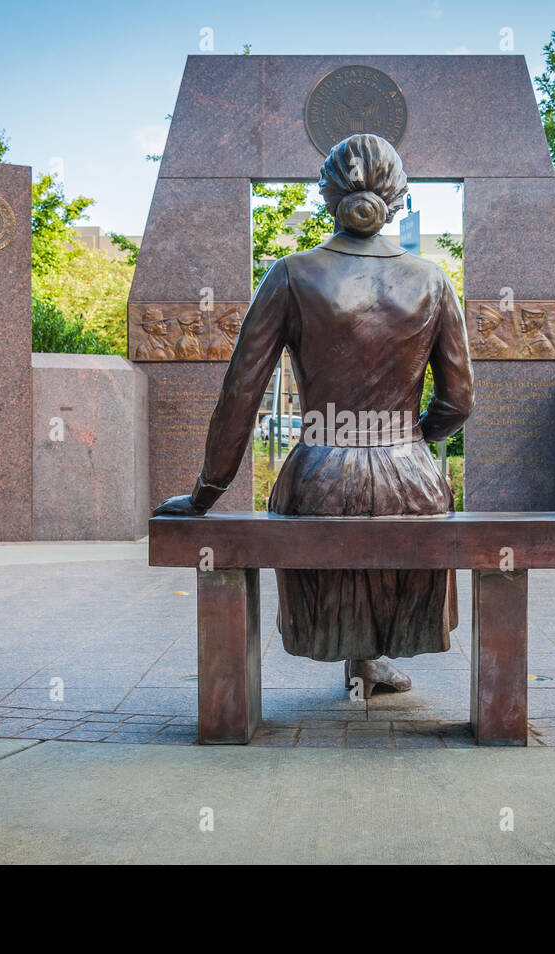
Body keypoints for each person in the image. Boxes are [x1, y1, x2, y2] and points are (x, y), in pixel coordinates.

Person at [154, 133, 474, 696]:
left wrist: (205, 493)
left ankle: (357, 660)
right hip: (412, 479)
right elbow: (458, 402)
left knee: (334, 538)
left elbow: (240, 396)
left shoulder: (290, 274)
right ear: (397, 199)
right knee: (385, 538)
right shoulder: (433, 280)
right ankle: (369, 660)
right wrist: (407, 440)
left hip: (319, 474)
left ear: (327, 193)